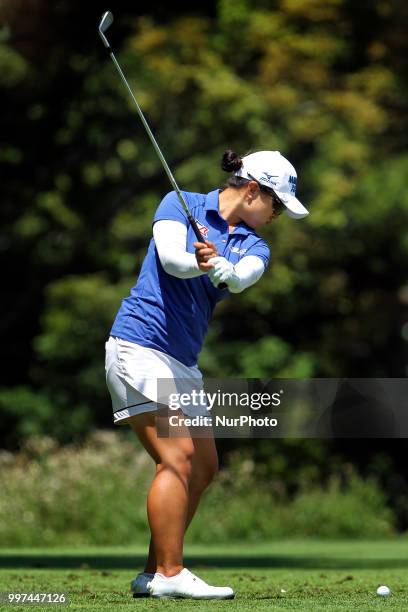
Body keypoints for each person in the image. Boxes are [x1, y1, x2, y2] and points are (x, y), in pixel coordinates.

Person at [105, 149, 309, 599]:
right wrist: (200, 261)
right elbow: (173, 260)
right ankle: (172, 574)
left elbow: (242, 278)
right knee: (177, 457)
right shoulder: (180, 203)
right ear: (253, 189)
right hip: (140, 345)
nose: (276, 215)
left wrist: (224, 267)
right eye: (276, 204)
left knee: (204, 467)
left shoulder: (255, 243)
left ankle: (153, 573)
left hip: (182, 362)